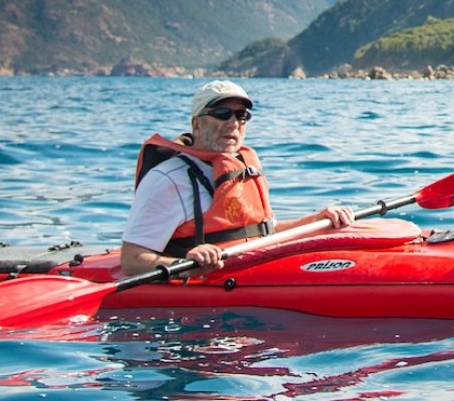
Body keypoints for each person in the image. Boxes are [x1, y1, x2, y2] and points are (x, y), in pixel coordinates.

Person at [120, 80, 354, 276]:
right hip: (208, 287)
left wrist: (316, 220)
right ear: (197, 125)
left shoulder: (244, 167)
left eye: (242, 116)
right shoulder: (168, 179)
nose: (233, 123)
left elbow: (264, 233)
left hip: (252, 271)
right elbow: (131, 260)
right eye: (222, 114)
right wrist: (182, 265)